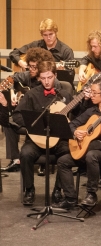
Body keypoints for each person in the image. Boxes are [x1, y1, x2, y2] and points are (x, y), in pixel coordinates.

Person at [53, 79, 101, 209]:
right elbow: (71, 124)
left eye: (94, 92)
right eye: (91, 91)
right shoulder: (91, 111)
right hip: (87, 151)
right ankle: (70, 198)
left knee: (91, 155)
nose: (91, 95)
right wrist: (75, 133)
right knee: (63, 161)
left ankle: (92, 194)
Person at [12, 61, 73, 205]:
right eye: (43, 78)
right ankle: (29, 189)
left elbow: (76, 117)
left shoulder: (64, 95)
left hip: (58, 140)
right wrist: (32, 125)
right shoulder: (31, 94)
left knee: (67, 154)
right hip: (36, 140)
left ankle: (58, 189)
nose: (46, 81)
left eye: (50, 77)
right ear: (39, 78)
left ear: (55, 76)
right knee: (25, 154)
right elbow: (17, 116)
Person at [1, 47, 61, 173]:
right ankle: (16, 159)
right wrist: (13, 92)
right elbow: (12, 79)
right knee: (9, 122)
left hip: (45, 121)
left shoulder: (54, 83)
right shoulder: (27, 75)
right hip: (29, 118)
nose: (31, 69)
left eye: (34, 67)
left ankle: (44, 162)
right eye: (30, 66)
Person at [9, 18, 74, 72]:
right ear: (41, 35)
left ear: (56, 33)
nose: (48, 38)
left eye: (51, 34)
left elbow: (70, 77)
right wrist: (21, 63)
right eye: (45, 35)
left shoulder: (66, 51)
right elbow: (14, 53)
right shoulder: (36, 45)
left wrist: (62, 71)